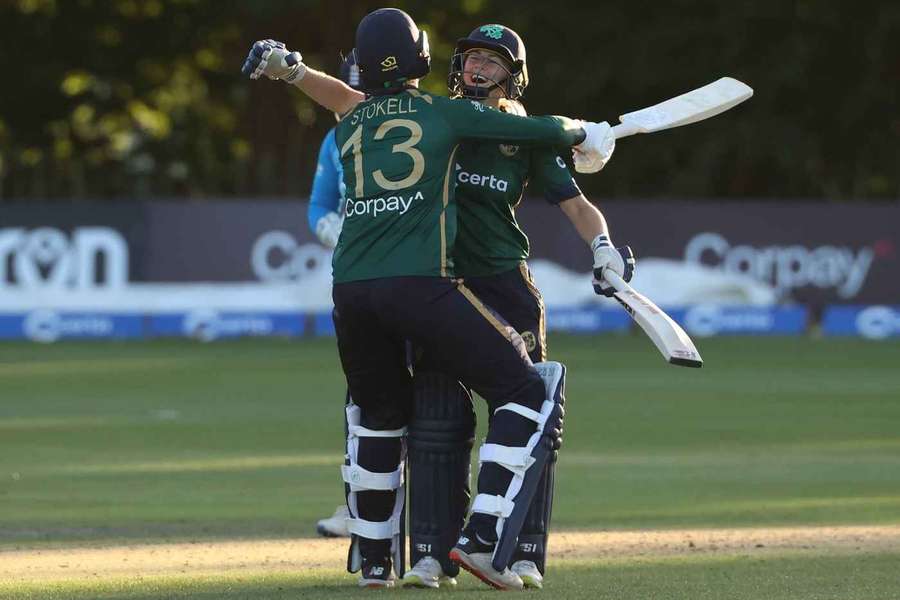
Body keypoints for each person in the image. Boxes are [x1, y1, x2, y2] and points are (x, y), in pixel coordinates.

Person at [243, 8, 620, 590]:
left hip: (377, 286)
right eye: (470, 58)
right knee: (493, 402)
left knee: (387, 414)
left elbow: (336, 92)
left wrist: (287, 68)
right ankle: (453, 548)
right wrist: (582, 132)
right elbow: (546, 128)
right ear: (431, 59)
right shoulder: (446, 114)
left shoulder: (354, 113)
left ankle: (446, 557)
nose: (477, 68)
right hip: (429, 281)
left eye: (490, 61)